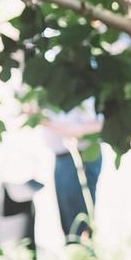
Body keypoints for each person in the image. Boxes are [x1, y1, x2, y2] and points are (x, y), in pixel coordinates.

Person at [40, 103, 103, 242]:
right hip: (63, 156)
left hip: (84, 154)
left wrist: (75, 130)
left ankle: (84, 251)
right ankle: (77, 251)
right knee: (69, 216)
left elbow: (100, 121)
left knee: (81, 217)